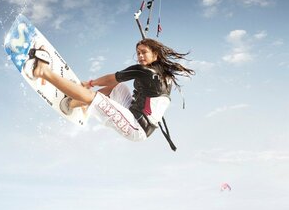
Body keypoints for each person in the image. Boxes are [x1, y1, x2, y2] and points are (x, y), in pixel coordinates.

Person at [26, 38, 195, 143]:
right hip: (134, 111)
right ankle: (77, 103)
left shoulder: (144, 71)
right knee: (119, 87)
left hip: (136, 127)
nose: (140, 56)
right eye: (138, 53)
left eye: (144, 52)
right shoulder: (165, 77)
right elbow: (117, 83)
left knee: (95, 97)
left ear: (156, 55)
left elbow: (110, 78)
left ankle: (44, 73)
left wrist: (89, 83)